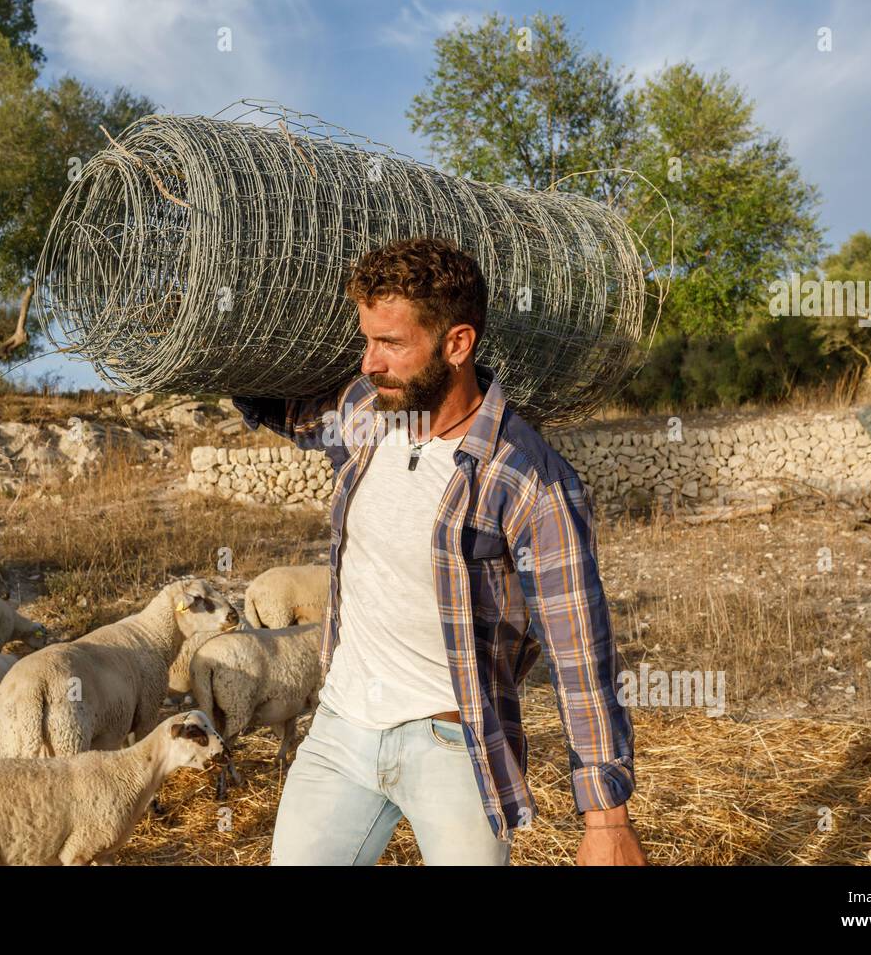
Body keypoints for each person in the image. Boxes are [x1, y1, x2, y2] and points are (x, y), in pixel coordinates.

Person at [232, 236, 644, 866]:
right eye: (366, 340)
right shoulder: (368, 411)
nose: (369, 362)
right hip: (339, 728)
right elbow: (286, 409)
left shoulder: (529, 479)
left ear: (457, 344)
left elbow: (579, 652)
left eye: (390, 344)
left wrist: (606, 819)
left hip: (456, 747)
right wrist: (198, 334)